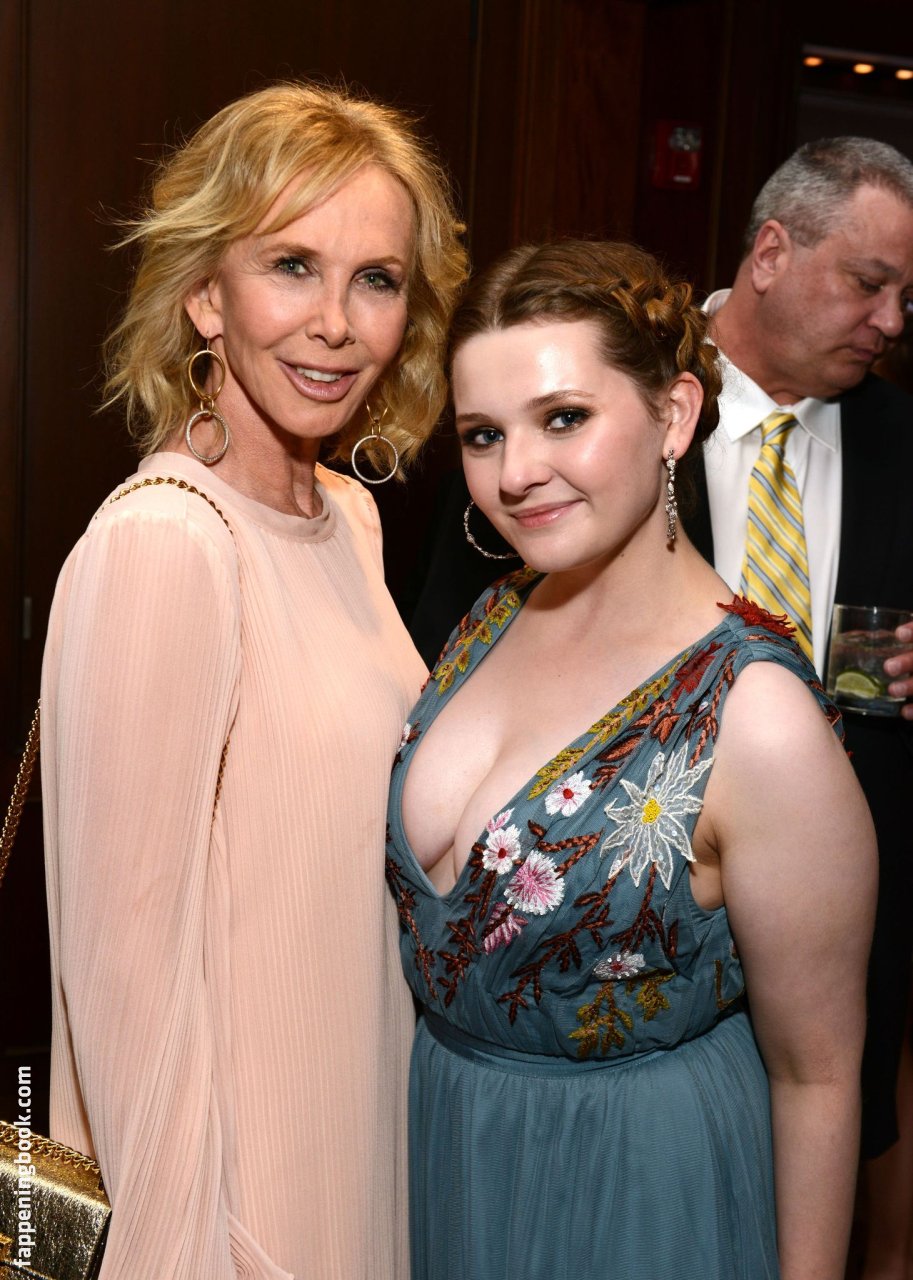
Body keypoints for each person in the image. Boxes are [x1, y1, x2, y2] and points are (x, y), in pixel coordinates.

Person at [384, 239, 877, 1279]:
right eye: (483, 434)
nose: (516, 473)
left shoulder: (755, 716)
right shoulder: (487, 618)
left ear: (674, 414)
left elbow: (819, 1075)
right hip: (450, 1155)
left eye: (564, 417)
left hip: (635, 1197)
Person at [40, 80, 466, 1279]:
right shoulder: (166, 546)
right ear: (204, 293)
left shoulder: (347, 517)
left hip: (357, 1155)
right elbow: (126, 995)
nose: (335, 323)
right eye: (291, 266)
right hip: (240, 1219)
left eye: (375, 279)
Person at [684, 137, 913, 1277]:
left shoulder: (901, 442)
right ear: (770, 252)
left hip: (845, 932)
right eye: (868, 283)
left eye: (906, 297)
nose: (890, 321)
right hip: (646, 908)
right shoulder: (613, 396)